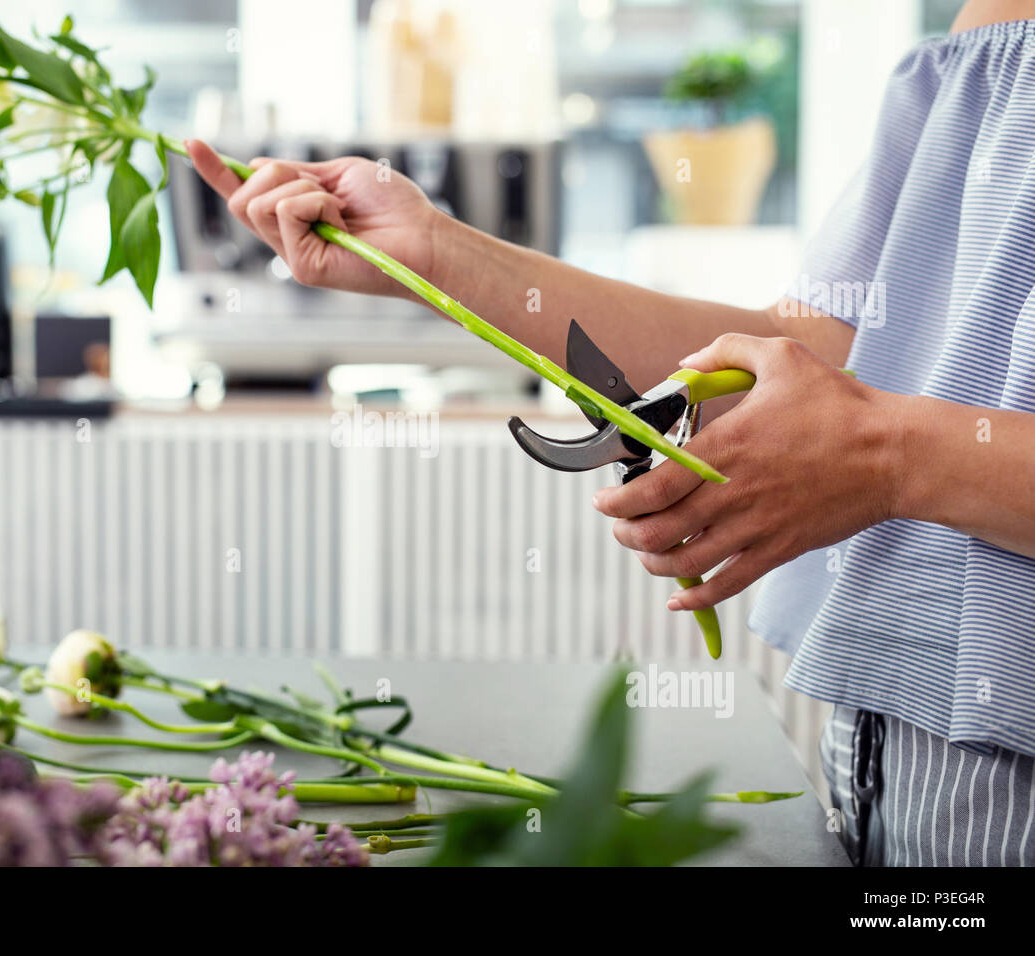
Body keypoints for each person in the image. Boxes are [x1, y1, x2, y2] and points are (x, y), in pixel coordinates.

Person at [187, 0, 1035, 866]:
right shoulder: (984, 29)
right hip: (896, 770)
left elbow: (869, 418)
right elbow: (830, 356)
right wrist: (434, 252)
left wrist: (887, 456)